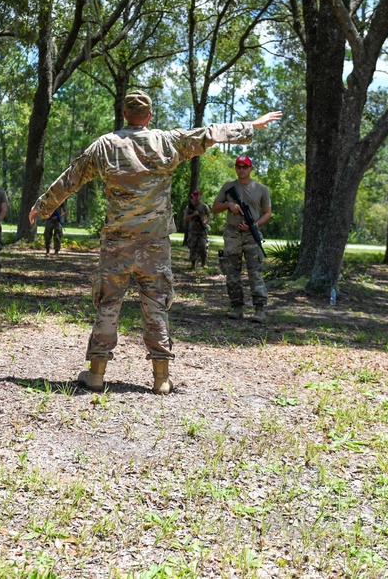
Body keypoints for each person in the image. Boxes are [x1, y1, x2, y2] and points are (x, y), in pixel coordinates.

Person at [29, 89, 281, 394]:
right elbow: (210, 133)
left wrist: (43, 206)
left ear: (124, 114)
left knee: (108, 304)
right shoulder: (166, 141)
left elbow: (72, 178)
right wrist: (252, 125)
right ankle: (161, 378)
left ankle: (96, 374)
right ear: (149, 116)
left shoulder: (105, 146)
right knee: (156, 306)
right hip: (154, 244)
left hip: (117, 243)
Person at [212, 154, 272, 323]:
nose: (241, 170)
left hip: (251, 235)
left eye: (245, 167)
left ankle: (260, 309)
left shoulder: (261, 189)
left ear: (251, 168)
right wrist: (229, 205)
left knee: (255, 273)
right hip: (232, 235)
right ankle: (236, 307)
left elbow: (268, 213)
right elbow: (215, 207)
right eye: (239, 166)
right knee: (232, 272)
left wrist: (255, 225)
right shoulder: (228, 187)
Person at [182, 190, 211, 269]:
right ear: (192, 196)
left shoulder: (204, 206)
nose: (196, 197)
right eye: (194, 195)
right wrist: (193, 215)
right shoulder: (189, 207)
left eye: (197, 195)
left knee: (203, 246)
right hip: (193, 231)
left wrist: (204, 222)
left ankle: (203, 263)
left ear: (199, 196)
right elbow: (186, 218)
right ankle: (193, 264)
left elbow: (209, 216)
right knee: (192, 247)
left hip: (202, 230)